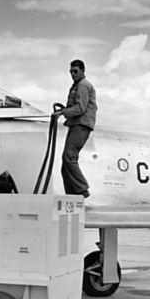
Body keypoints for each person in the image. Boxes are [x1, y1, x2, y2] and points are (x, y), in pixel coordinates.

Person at [53, 59, 97, 198]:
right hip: (76, 124)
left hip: (81, 125)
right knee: (65, 164)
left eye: (75, 71)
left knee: (69, 157)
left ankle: (81, 190)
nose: (73, 74)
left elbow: (80, 108)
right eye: (71, 71)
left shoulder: (83, 86)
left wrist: (63, 112)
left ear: (83, 71)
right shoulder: (76, 86)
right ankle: (72, 197)